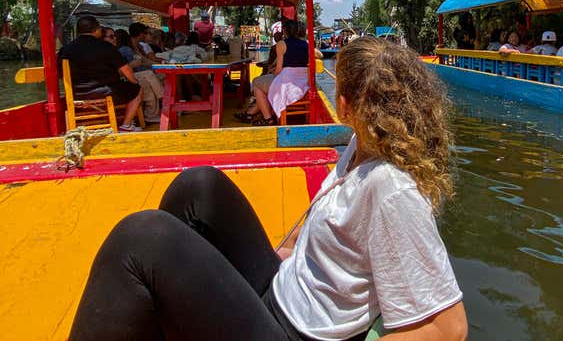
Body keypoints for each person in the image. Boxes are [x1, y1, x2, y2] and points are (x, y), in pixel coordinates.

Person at [68, 36, 467, 341]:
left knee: (141, 238)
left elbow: (448, 327)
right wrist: (281, 254)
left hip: (295, 333)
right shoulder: (360, 144)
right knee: (200, 186)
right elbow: (314, 224)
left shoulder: (390, 188)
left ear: (344, 104)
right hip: (282, 290)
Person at [57, 16, 143, 132]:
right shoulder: (106, 46)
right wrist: (134, 82)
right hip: (105, 93)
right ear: (97, 30)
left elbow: (60, 72)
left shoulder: (66, 49)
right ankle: (126, 125)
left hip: (77, 94)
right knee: (137, 89)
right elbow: (126, 69)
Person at [254, 19, 311, 126]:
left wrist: (272, 74)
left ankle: (268, 118)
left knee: (257, 83)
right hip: (303, 84)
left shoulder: (281, 44)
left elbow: (278, 70)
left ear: (285, 31)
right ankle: (253, 112)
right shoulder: (306, 44)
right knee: (266, 84)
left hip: (286, 84)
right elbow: (317, 56)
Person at [127, 22, 164, 123]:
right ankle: (164, 99)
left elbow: (145, 61)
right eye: (146, 33)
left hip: (143, 73)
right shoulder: (128, 49)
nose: (148, 35)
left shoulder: (140, 46)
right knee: (148, 81)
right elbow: (139, 63)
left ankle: (164, 103)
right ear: (140, 34)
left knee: (164, 76)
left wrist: (161, 66)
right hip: (135, 76)